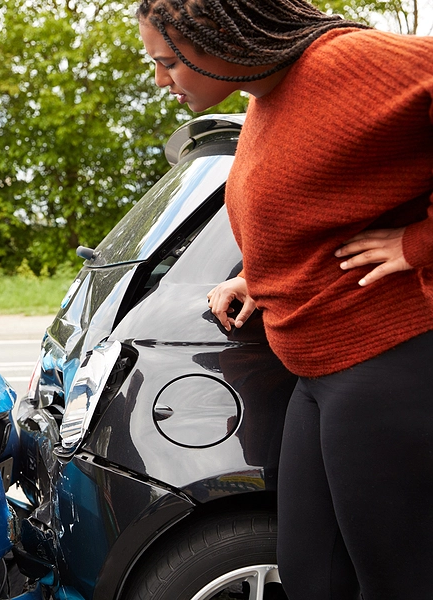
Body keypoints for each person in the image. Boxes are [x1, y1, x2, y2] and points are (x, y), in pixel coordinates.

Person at [136, 1, 433, 598]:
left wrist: (418, 242)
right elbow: (321, 203)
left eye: (169, 62)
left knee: (399, 581)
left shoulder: (352, 63)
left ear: (220, 39)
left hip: (387, 360)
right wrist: (259, 276)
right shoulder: (263, 94)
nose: (161, 81)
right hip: (316, 371)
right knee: (311, 575)